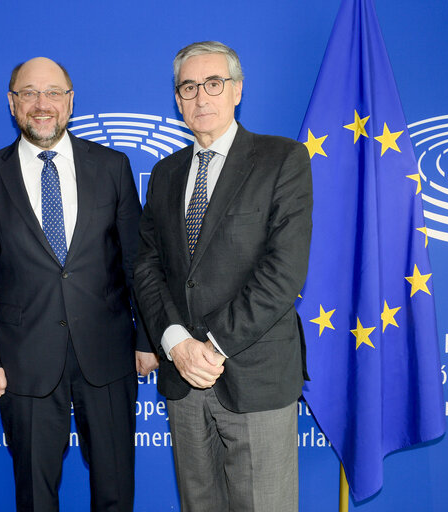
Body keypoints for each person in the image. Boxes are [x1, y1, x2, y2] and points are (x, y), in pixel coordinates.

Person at [0, 56, 156, 512]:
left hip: (107, 355)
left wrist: (148, 338)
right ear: (12, 104)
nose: (41, 104)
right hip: (23, 359)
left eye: (52, 93)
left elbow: (137, 264)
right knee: (34, 495)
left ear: (70, 101)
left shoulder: (112, 167)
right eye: (28, 93)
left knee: (115, 491)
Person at [134, 41, 312, 511]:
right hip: (183, 379)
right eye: (188, 87)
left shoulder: (282, 160)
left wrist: (210, 348)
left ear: (236, 91)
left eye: (214, 84)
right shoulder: (165, 173)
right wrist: (175, 343)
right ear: (176, 98)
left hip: (254, 375)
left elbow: (283, 272)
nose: (201, 97)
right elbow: (147, 265)